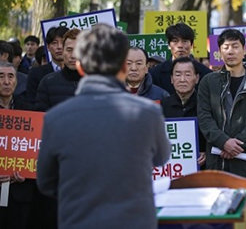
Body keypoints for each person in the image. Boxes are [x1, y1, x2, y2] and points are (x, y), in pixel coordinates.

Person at [37, 24, 171, 229]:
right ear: (124, 67)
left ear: (81, 66)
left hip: (79, 220)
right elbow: (161, 158)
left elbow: (46, 181)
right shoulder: (148, 112)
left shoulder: (56, 118)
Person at [197, 29, 246, 205]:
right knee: (218, 218)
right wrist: (223, 141)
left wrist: (237, 143)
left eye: (235, 46)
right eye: (225, 47)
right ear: (219, 52)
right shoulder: (209, 82)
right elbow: (204, 116)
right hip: (218, 160)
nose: (230, 51)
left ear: (244, 49)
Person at [0, 62, 39, 229]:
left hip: (20, 193)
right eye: (1, 77)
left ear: (17, 81)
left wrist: (26, 170)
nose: (6, 82)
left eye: (11, 76)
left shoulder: (29, 113)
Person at [161, 56, 206, 166]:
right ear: (171, 79)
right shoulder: (162, 105)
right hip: (171, 167)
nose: (182, 79)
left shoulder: (206, 104)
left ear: (197, 78)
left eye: (187, 74)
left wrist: (207, 153)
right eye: (178, 74)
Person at [150, 23, 212, 94]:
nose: (180, 46)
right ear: (168, 45)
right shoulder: (155, 74)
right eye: (175, 41)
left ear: (192, 45)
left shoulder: (206, 74)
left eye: (185, 41)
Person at [34, 29, 82, 111]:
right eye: (69, 50)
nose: (73, 55)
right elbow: (40, 119)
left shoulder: (98, 83)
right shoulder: (47, 82)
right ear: (63, 51)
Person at [25, 26, 68, 106]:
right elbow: (31, 103)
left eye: (62, 42)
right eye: (54, 43)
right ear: (48, 47)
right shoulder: (35, 74)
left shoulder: (79, 73)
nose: (59, 47)